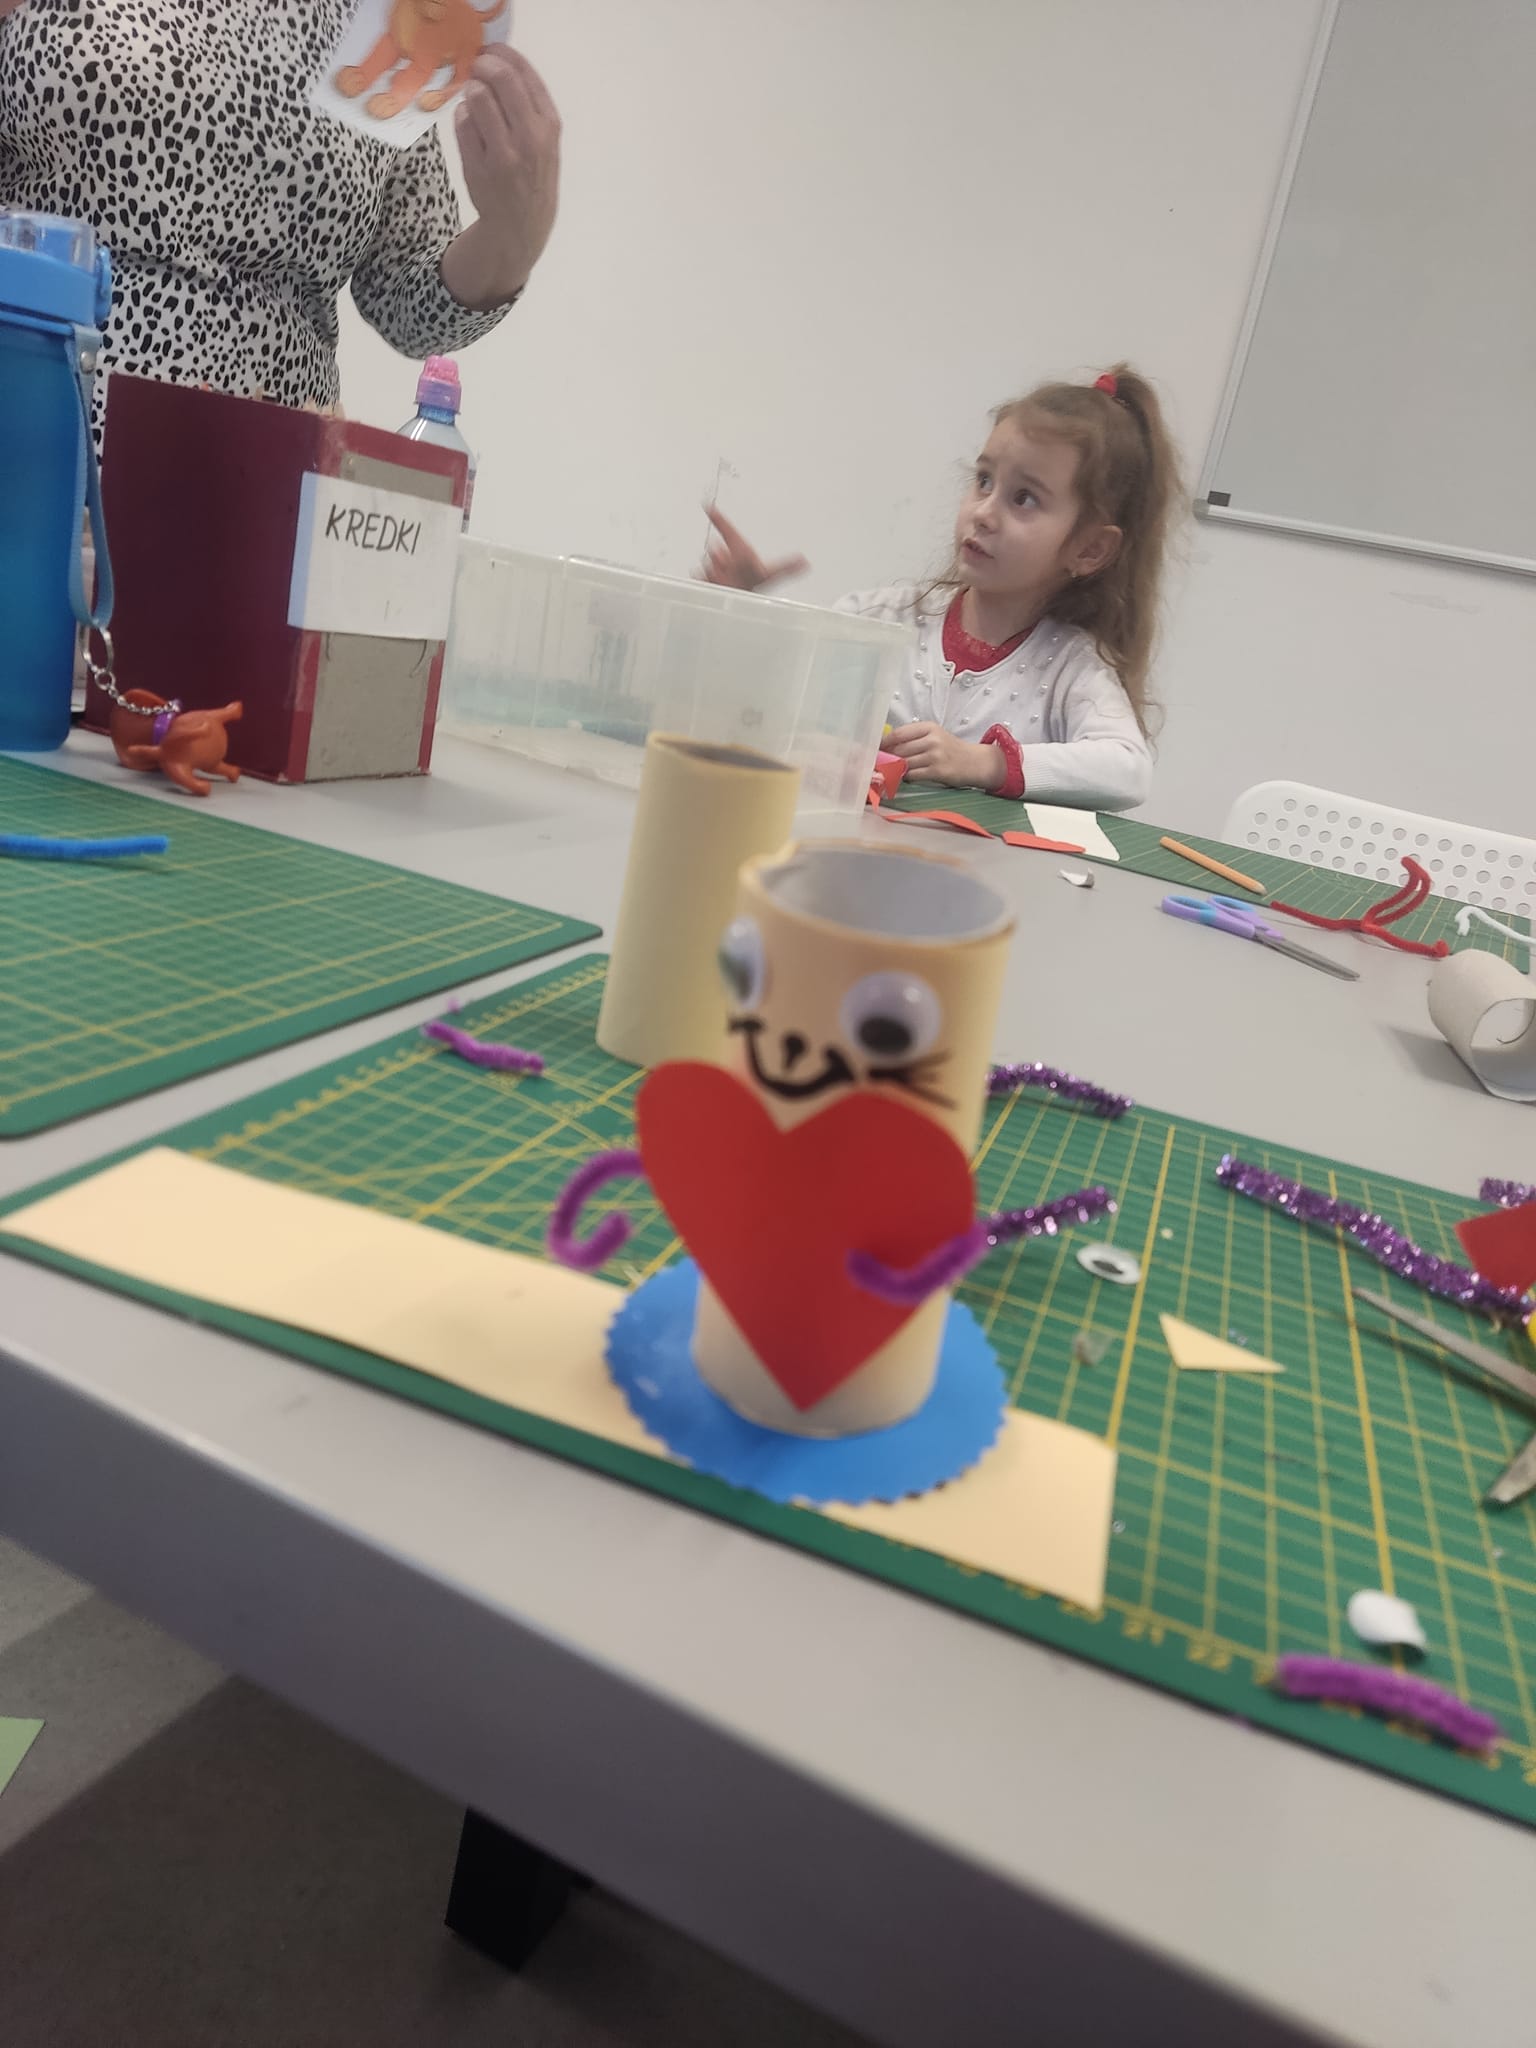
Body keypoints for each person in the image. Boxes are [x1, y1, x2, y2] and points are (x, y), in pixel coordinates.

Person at [0, 1, 560, 425]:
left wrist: (512, 236)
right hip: (45, 432)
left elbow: (407, 301)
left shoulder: (381, 15)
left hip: (273, 478)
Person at [702, 366, 1181, 812]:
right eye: (984, 481)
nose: (984, 513)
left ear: (1090, 549)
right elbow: (773, 684)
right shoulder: (880, 618)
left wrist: (985, 763)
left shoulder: (1071, 667)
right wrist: (740, 600)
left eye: (1024, 498)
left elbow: (1128, 770)